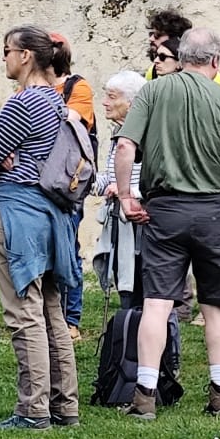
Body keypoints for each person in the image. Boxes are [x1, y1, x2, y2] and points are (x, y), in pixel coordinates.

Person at [113, 28, 220, 420]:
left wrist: (126, 196)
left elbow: (125, 145)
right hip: (215, 212)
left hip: (164, 210)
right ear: (216, 61)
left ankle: (144, 396)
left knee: (157, 304)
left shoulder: (152, 92)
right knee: (215, 307)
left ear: (180, 58)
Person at [0, 26, 81, 431]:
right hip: (50, 213)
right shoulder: (56, 100)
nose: (3, 58)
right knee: (51, 310)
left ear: (25, 56)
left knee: (24, 312)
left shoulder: (23, 102)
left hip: (19, 213)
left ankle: (33, 409)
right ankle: (64, 405)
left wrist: (4, 158)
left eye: (6, 50)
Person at [50, 32, 97, 339]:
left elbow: (74, 119)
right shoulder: (29, 88)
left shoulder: (77, 87)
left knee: (68, 248)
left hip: (67, 181)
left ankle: (70, 318)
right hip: (39, 178)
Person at [90, 69, 146, 310]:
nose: (104, 102)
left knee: (140, 283)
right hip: (120, 217)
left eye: (112, 97)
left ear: (131, 103)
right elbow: (110, 178)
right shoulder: (119, 134)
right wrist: (84, 181)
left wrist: (127, 191)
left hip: (138, 221)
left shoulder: (143, 135)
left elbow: (148, 180)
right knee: (125, 279)